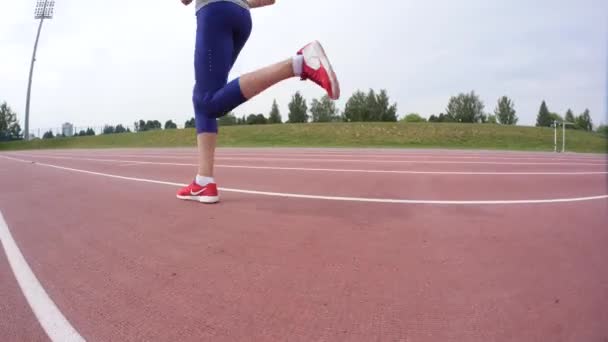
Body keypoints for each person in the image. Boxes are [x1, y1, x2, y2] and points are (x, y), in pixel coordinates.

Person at [176, 0, 340, 204]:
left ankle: (298, 64)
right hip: (241, 17)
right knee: (201, 96)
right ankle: (204, 181)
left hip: (214, 11)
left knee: (208, 102)